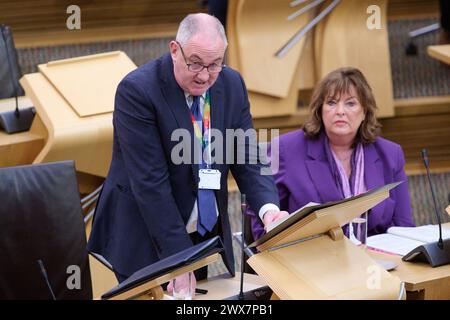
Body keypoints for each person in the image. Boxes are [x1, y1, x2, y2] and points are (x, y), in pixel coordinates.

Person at [87, 13, 288, 293]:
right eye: (195, 63)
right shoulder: (137, 92)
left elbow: (248, 155)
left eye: (215, 64)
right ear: (174, 50)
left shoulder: (231, 85)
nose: (204, 75)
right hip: (147, 233)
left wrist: (269, 210)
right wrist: (180, 262)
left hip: (201, 232)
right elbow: (150, 185)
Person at [248, 67, 415, 241]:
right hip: (310, 257)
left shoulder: (391, 154)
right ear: (320, 109)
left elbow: (403, 227)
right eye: (332, 103)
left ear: (365, 111)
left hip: (374, 260)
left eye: (350, 103)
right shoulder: (283, 149)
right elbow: (261, 220)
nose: (340, 111)